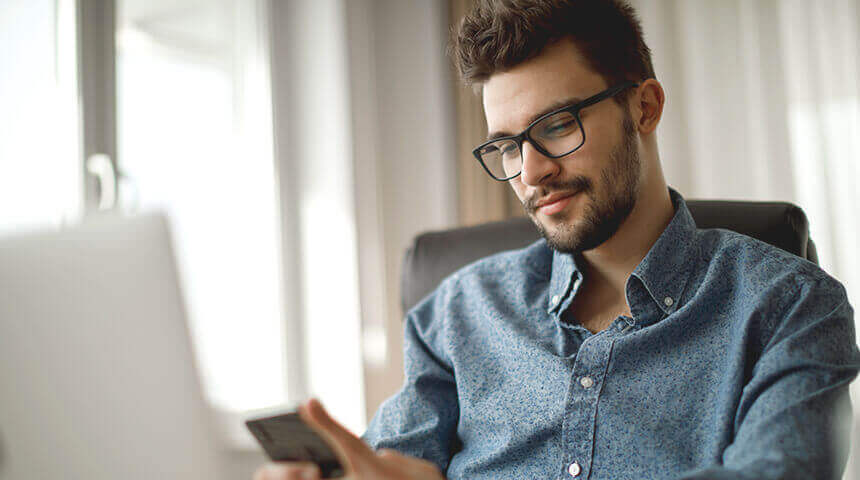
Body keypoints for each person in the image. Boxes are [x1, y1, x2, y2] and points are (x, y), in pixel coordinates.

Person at [255, 0, 860, 478]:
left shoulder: (791, 307)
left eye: (557, 125)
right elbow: (402, 462)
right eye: (507, 144)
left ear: (644, 107)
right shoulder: (455, 313)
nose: (531, 171)